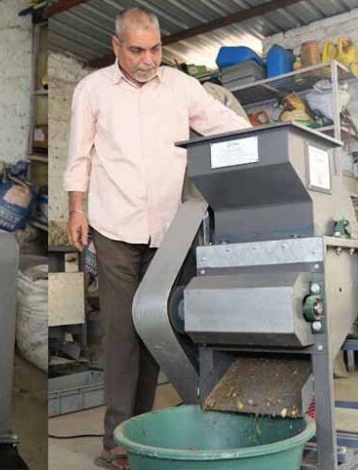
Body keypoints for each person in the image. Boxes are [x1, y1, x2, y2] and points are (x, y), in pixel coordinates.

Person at [63, 7, 250, 470]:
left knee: (154, 326)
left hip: (168, 228)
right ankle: (115, 440)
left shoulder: (182, 87)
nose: (148, 60)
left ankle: (140, 433)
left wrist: (272, 137)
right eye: (137, 50)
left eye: (155, 49)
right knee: (121, 331)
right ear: (116, 47)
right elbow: (79, 155)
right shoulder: (92, 90)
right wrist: (76, 209)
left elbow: (223, 124)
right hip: (114, 224)